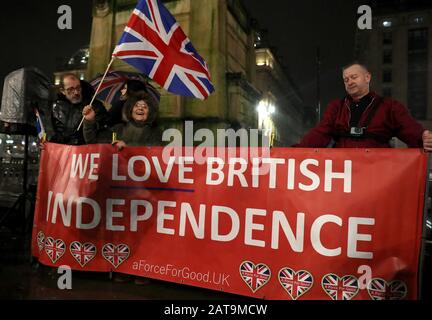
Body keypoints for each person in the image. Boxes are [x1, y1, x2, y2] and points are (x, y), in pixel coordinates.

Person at [294, 62, 432, 150]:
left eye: (354, 77)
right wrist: (295, 150)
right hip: (344, 172)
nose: (349, 82)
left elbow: (408, 127)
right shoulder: (336, 107)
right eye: (346, 80)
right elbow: (320, 132)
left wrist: (422, 137)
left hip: (377, 173)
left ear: (367, 77)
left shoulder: (390, 106)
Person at [83, 91, 162, 149]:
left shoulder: (155, 132)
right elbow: (93, 142)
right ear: (130, 110)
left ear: (150, 112)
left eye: (144, 107)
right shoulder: (118, 129)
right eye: (136, 106)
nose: (140, 108)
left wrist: (127, 147)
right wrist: (89, 121)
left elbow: (153, 150)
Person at [50, 74, 109, 145]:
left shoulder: (94, 105)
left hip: (86, 152)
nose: (76, 92)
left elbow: (103, 131)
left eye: (78, 88)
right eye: (71, 89)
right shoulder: (56, 107)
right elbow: (55, 133)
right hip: (64, 153)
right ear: (62, 91)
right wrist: (47, 144)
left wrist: (90, 121)